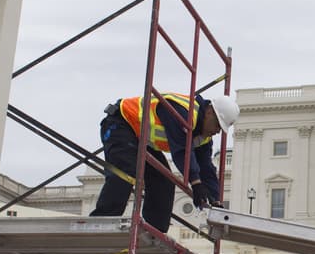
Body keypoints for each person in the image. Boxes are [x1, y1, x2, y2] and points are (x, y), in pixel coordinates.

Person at [90, 91, 239, 232]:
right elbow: (181, 151)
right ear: (209, 112)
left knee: (164, 179)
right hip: (122, 123)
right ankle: (101, 223)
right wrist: (195, 183)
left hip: (141, 139)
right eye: (218, 125)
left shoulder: (203, 137)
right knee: (125, 172)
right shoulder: (184, 113)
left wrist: (216, 200)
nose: (218, 131)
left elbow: (206, 168)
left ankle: (154, 232)